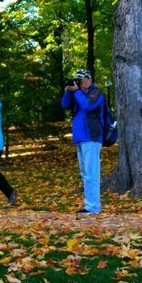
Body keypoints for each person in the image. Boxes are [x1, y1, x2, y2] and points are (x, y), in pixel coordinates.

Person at [61, 68, 104, 215]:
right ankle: (89, 205)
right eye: (77, 80)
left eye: (81, 79)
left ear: (89, 79)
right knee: (85, 173)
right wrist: (69, 90)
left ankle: (93, 207)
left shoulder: (95, 93)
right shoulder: (77, 93)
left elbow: (88, 105)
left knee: (92, 173)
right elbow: (64, 105)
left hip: (91, 137)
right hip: (80, 138)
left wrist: (77, 92)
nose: (79, 82)